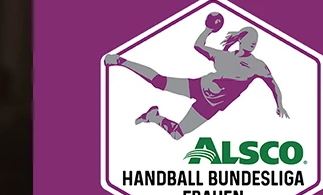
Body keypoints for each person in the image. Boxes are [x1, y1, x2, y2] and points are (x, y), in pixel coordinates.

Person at [105, 21, 287, 140]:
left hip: (211, 105)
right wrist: (208, 29)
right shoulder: (223, 56)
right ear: (241, 39)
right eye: (250, 38)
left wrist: (279, 105)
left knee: (177, 134)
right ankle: (121, 61)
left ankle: (153, 116)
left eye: (256, 40)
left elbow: (273, 85)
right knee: (159, 82)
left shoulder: (258, 66)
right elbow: (198, 46)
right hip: (199, 86)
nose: (254, 42)